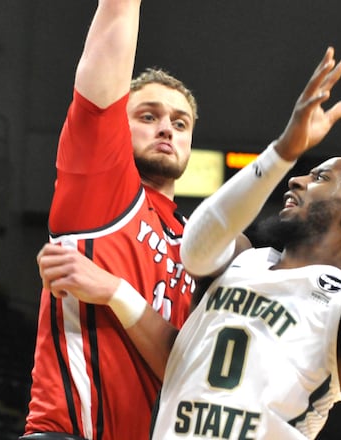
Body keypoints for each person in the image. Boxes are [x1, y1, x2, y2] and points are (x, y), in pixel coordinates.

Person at [36, 47, 341, 439]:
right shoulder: (243, 261)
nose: (298, 180)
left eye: (322, 177)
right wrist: (282, 151)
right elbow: (193, 256)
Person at [22, 0, 201, 439]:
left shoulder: (197, 246)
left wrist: (114, 291)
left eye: (181, 123)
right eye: (148, 116)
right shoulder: (101, 185)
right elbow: (114, 25)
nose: (166, 129)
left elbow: (185, 371)